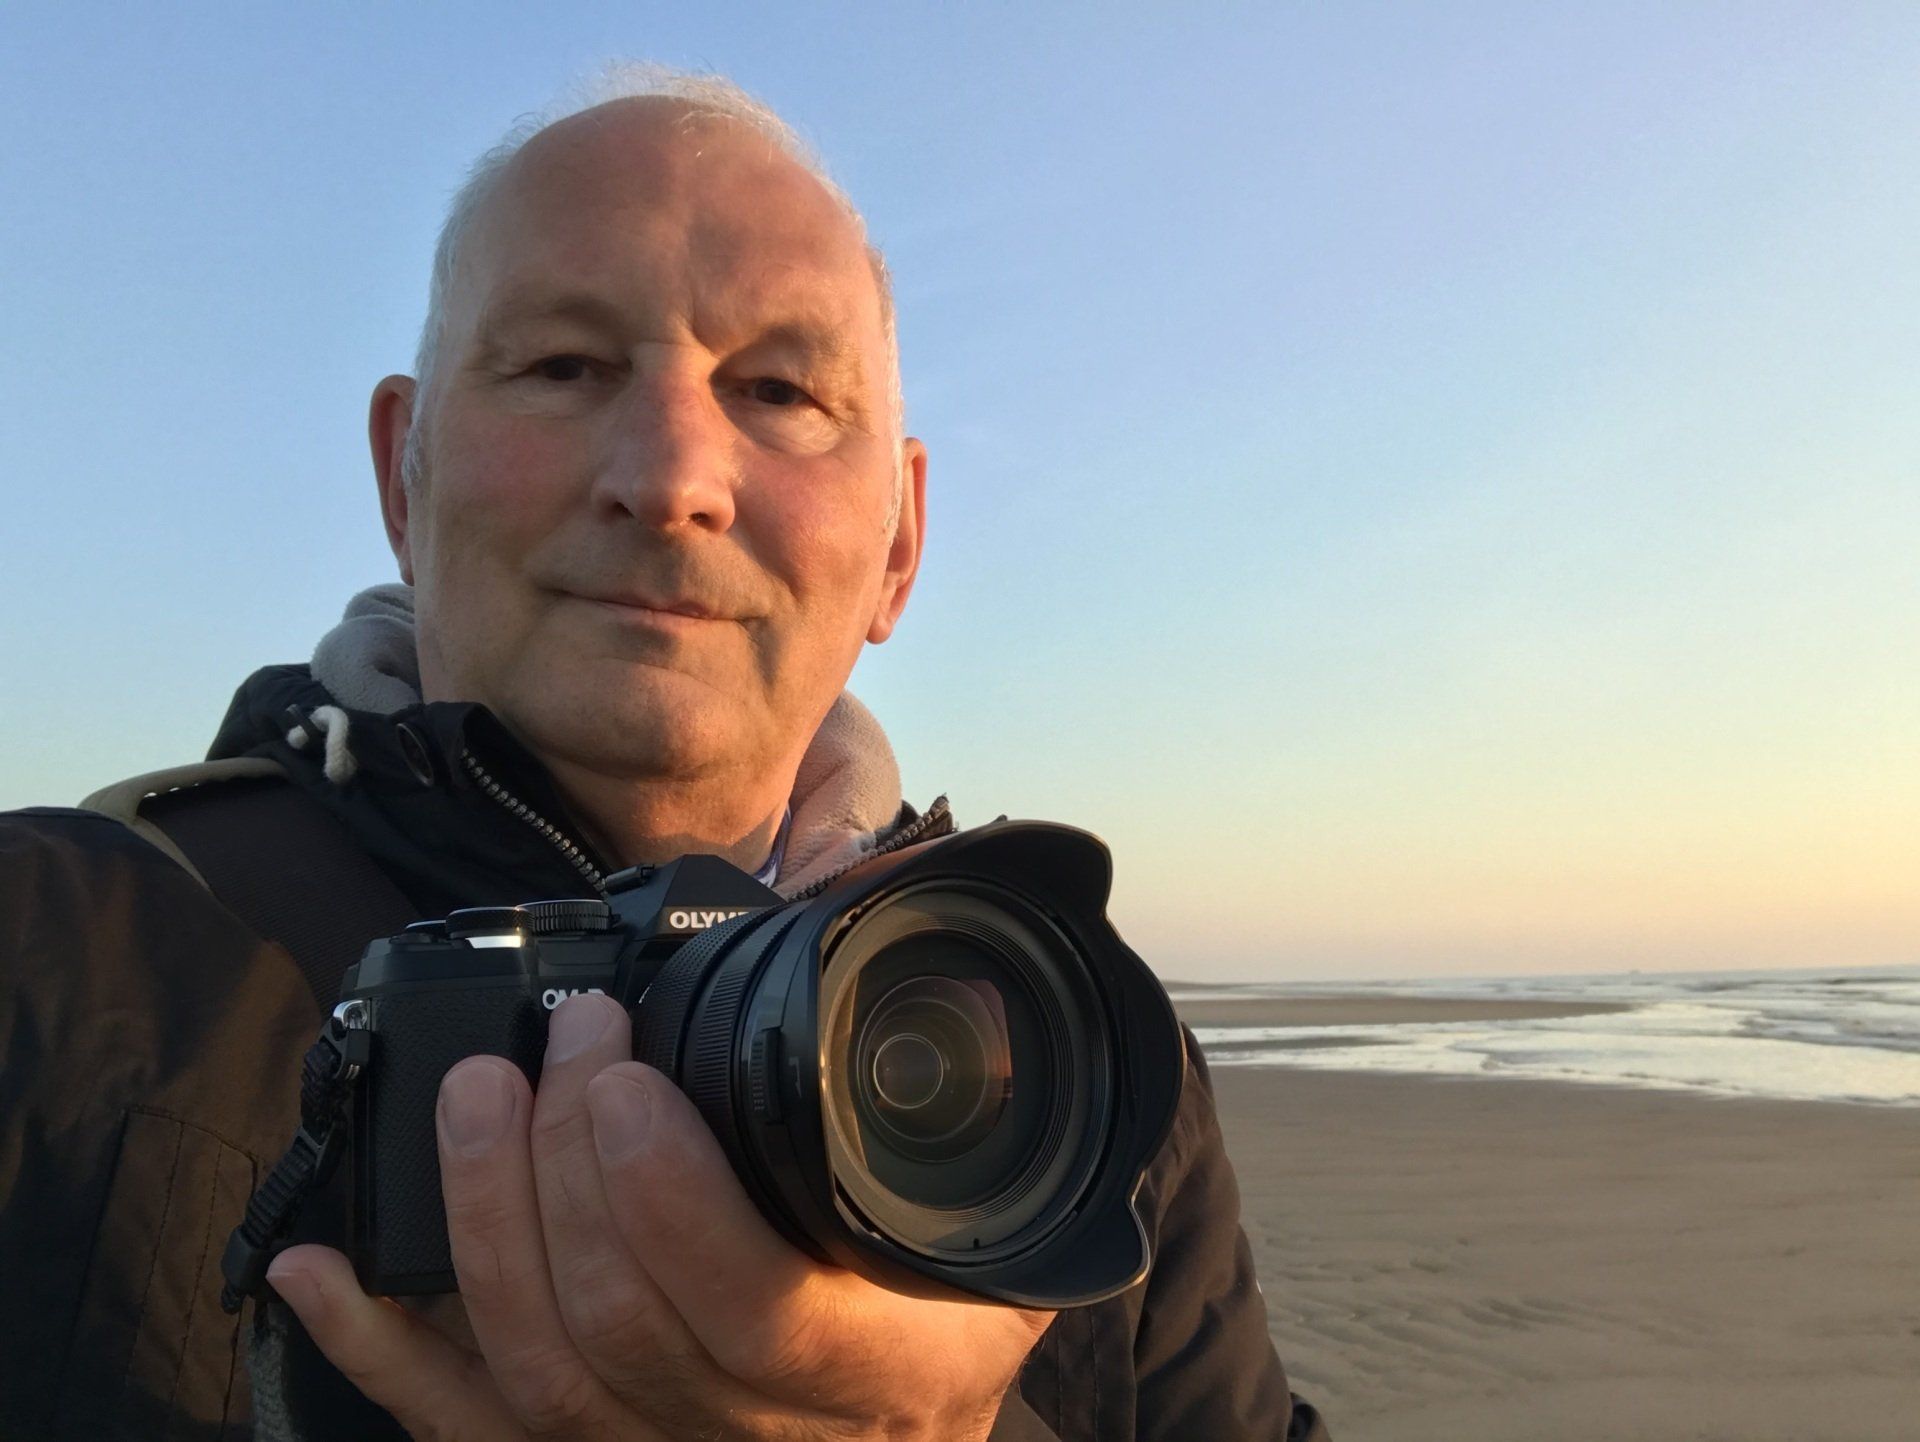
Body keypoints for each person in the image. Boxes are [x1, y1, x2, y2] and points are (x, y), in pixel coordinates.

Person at [0, 67, 1329, 1441]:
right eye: (565, 367)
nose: (673, 475)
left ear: (899, 543)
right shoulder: (51, 953)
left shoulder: (1059, 1053)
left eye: (779, 388)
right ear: (407, 472)